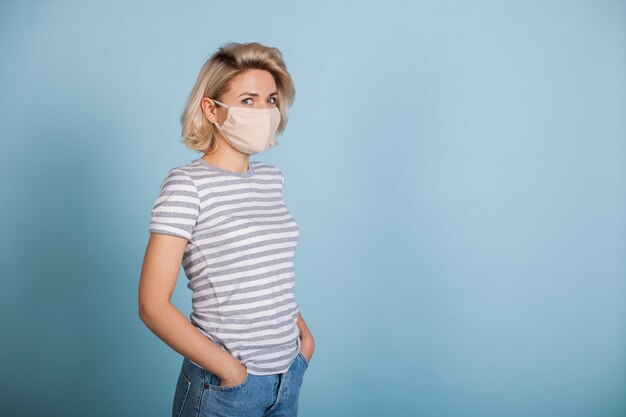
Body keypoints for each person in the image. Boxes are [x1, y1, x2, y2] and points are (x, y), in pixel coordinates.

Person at [138, 42, 315, 417]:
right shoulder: (187, 186)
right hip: (227, 388)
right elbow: (152, 306)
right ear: (212, 109)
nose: (266, 111)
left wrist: (303, 342)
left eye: (271, 99)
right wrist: (230, 371)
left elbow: (271, 272)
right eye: (248, 100)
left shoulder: (271, 179)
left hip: (288, 375)